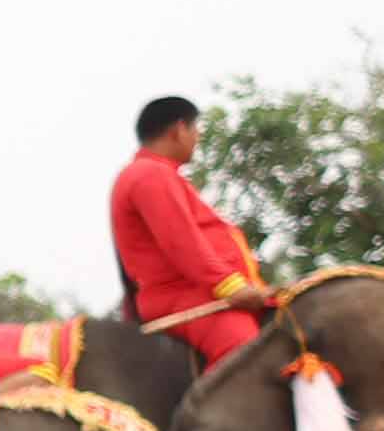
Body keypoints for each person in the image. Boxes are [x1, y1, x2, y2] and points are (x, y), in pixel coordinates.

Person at [106, 99, 278, 359]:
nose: (198, 137)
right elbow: (182, 244)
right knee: (247, 356)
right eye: (196, 129)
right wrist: (231, 287)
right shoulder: (149, 174)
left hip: (200, 293)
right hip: (183, 297)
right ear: (179, 129)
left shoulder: (157, 174)